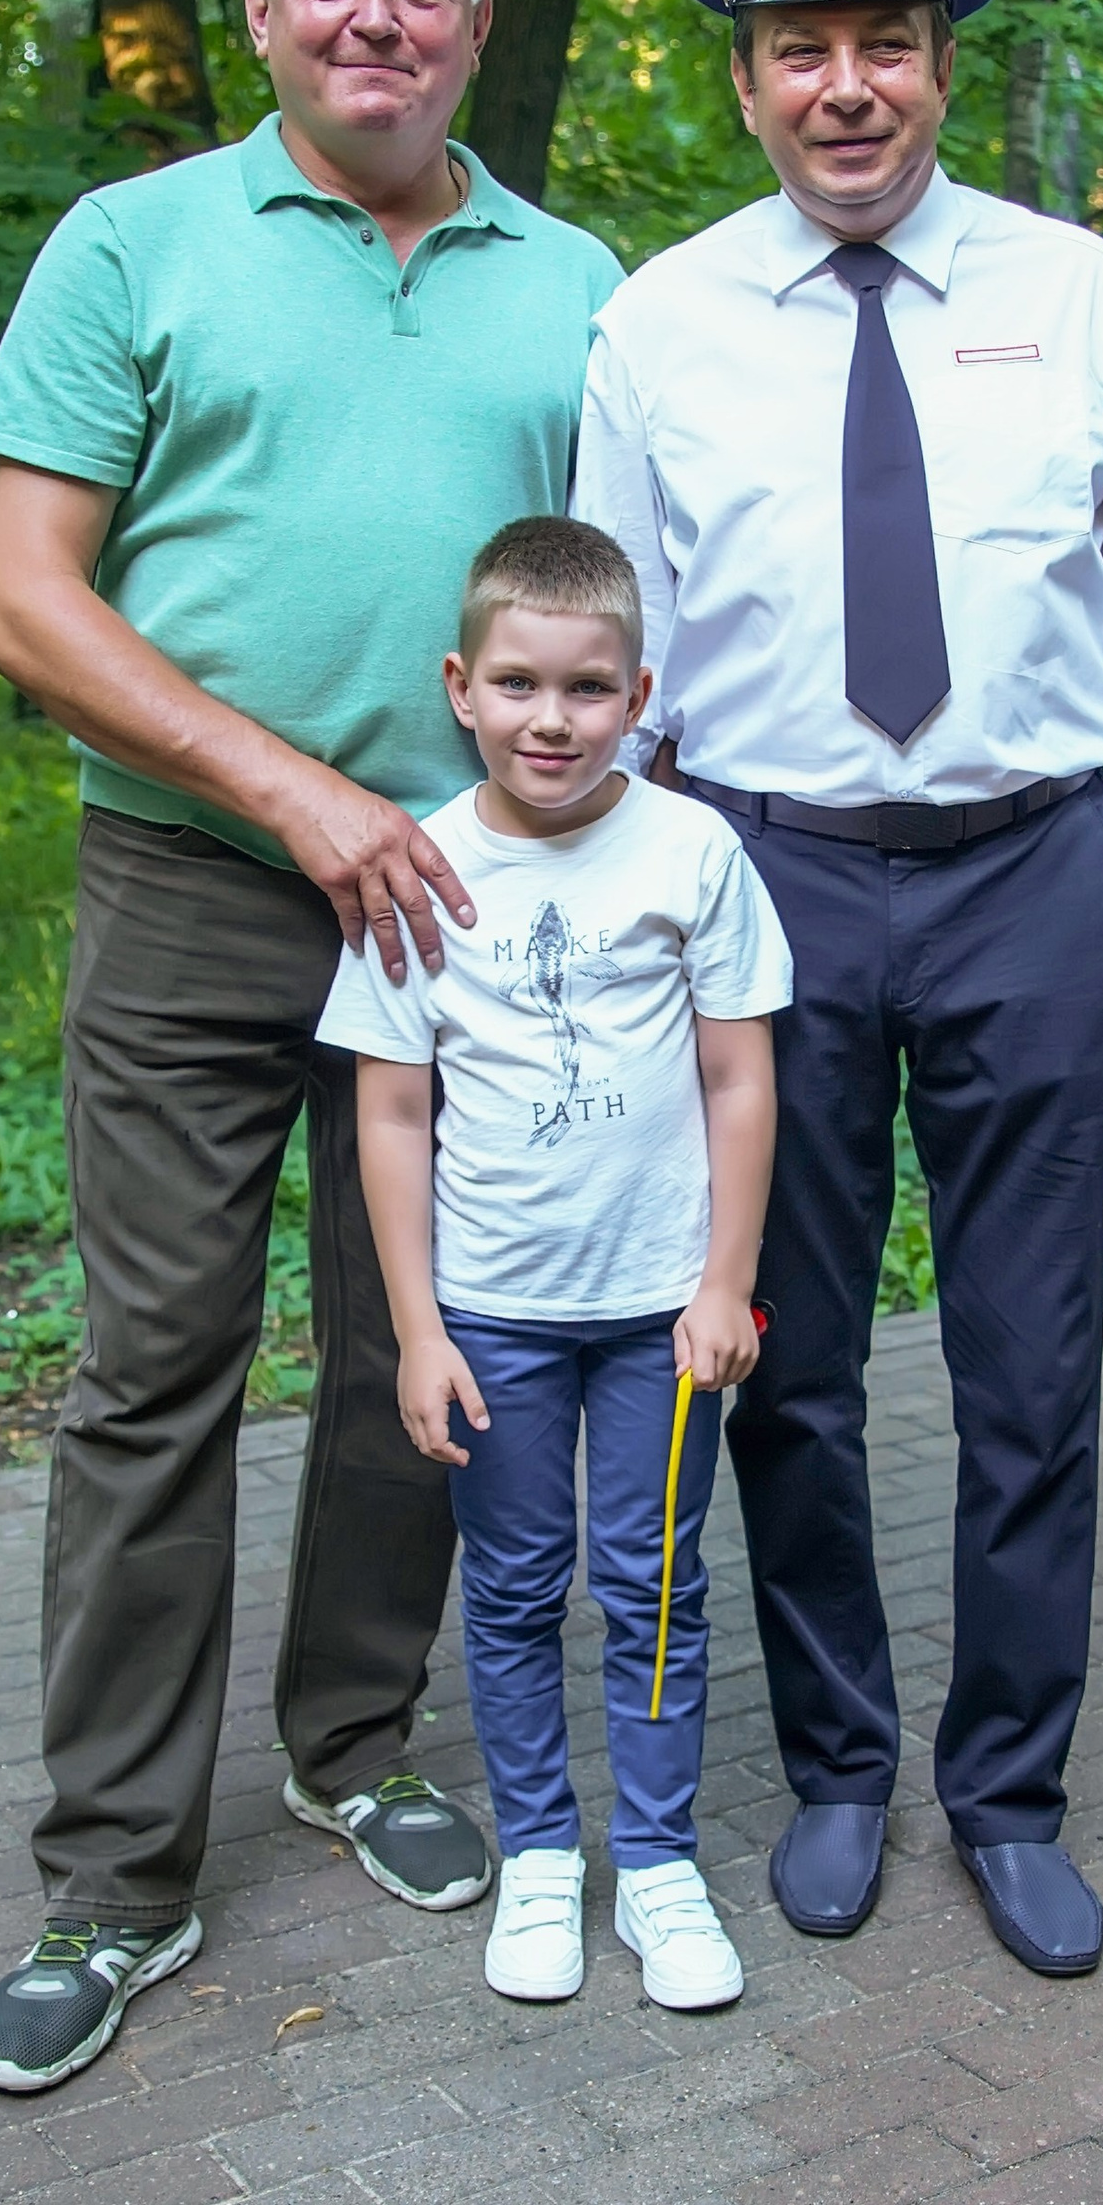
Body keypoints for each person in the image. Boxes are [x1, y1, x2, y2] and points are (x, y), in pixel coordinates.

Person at [0, 0, 623, 2094]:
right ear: (261, 13)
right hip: (187, 883)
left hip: (461, 906)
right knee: (151, 1364)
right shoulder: (134, 242)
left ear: (472, 17)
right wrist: (290, 792)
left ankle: (354, 1738)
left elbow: (630, 623)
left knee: (408, 1351)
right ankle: (115, 1874)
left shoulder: (577, 284)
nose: (374, 16)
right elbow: (20, 598)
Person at [573, 0, 1103, 1973]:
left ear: (942, 55)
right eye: (798, 44)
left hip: (1032, 879)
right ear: (744, 75)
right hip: (765, 892)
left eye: (881, 35)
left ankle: (1009, 1786)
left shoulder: (1072, 294)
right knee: (776, 1359)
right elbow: (621, 667)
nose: (841, 83)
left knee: (1030, 1369)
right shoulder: (657, 326)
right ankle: (845, 1765)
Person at [320, 515, 788, 2012]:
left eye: (589, 689)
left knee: (655, 1585)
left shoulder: (691, 850)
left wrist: (725, 1282)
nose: (552, 719)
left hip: (660, 1314)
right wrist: (417, 1329)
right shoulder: (419, 872)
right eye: (518, 683)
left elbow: (740, 1081)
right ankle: (540, 1856)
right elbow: (389, 1113)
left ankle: (655, 1864)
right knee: (516, 1590)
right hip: (496, 1318)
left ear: (638, 694)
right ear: (462, 684)